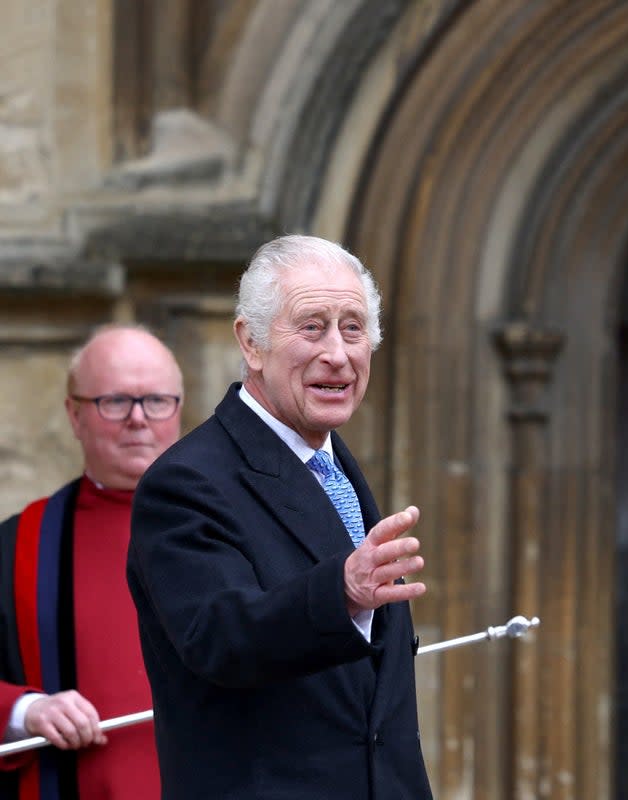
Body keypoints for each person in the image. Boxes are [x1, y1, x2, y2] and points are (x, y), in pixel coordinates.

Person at [126, 234, 433, 800]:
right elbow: (220, 638)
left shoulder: (333, 465)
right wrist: (340, 591)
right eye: (312, 326)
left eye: (353, 327)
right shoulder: (186, 483)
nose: (337, 353)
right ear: (252, 343)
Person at [0, 323, 184, 799]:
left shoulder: (244, 529)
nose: (139, 419)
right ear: (75, 415)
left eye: (157, 401)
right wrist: (25, 711)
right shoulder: (20, 544)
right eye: (115, 401)